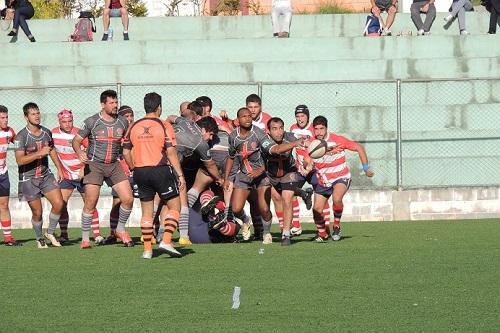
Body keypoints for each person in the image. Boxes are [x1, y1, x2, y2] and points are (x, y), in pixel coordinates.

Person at [122, 92, 185, 259]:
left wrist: (132, 167)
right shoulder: (164, 125)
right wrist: (180, 174)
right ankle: (166, 240)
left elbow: (126, 151)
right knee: (175, 207)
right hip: (160, 170)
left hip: (140, 172)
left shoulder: (133, 126)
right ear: (159, 107)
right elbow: (171, 151)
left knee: (147, 213)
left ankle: (148, 250)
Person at [72, 90, 134, 249]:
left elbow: (126, 144)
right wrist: (80, 154)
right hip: (95, 165)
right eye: (111, 103)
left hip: (114, 165)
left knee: (128, 199)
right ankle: (85, 239)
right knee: (90, 202)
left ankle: (120, 229)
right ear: (103, 104)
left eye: (116, 102)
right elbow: (76, 141)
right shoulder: (92, 121)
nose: (115, 105)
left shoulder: (122, 122)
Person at [305, 116, 374, 242]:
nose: (319, 132)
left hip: (341, 177)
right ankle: (322, 233)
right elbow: (307, 160)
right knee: (316, 210)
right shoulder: (312, 144)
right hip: (324, 180)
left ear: (326, 128)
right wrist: (308, 164)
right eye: (316, 129)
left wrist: (365, 168)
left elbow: (359, 147)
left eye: (322, 128)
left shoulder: (337, 140)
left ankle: (336, 225)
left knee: (337, 198)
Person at [166, 114, 222, 245]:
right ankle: (184, 237)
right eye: (211, 134)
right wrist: (219, 178)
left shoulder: (185, 122)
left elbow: (170, 118)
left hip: (159, 161)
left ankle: (156, 235)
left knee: (160, 200)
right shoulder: (200, 143)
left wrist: (164, 128)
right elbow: (210, 164)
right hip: (173, 164)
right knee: (183, 199)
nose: (211, 138)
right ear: (203, 130)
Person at [14, 103, 64, 249]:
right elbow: (19, 160)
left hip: (46, 176)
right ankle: (39, 238)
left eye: (38, 113)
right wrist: (38, 154)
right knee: (38, 212)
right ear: (26, 117)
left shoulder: (47, 132)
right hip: (28, 179)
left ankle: (50, 233)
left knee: (59, 203)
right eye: (33, 114)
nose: (37, 116)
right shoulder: (20, 137)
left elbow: (52, 150)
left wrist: (59, 169)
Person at [52, 109, 103, 244]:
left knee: (90, 203)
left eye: (70, 121)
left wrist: (83, 168)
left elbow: (91, 150)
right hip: (67, 176)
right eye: (64, 122)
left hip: (83, 175)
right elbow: (52, 151)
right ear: (59, 122)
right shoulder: (54, 134)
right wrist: (59, 169)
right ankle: (64, 234)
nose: (68, 124)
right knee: (61, 204)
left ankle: (97, 235)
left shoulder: (79, 133)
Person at [224, 107, 273, 244]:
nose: (247, 118)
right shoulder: (233, 136)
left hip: (261, 175)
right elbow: (231, 157)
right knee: (236, 208)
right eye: (244, 116)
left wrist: (261, 170)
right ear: (238, 120)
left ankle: (267, 233)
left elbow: (270, 155)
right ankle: (246, 220)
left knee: (264, 208)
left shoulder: (259, 134)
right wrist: (227, 178)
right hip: (244, 175)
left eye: (249, 116)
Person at [261, 117, 313, 246]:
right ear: (269, 131)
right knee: (276, 200)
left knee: (287, 199)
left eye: (281, 128)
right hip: (270, 174)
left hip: (288, 172)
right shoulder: (264, 140)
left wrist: (320, 148)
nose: (278, 132)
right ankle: (302, 194)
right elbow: (277, 150)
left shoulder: (291, 136)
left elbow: (307, 141)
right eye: (274, 129)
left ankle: (286, 234)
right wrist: (295, 143)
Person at [289, 104, 331, 236]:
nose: (300, 119)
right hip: (299, 169)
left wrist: (309, 166)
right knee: (289, 192)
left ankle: (326, 227)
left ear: (308, 116)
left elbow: (318, 149)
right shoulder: (292, 128)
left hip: (314, 169)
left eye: (302, 116)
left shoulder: (314, 129)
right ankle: (296, 226)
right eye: (297, 116)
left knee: (322, 197)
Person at [104, 105, 135, 245]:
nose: (129, 119)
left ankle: (152, 232)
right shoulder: (117, 132)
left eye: (131, 116)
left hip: (136, 171)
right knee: (117, 203)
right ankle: (113, 232)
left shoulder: (137, 131)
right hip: (120, 173)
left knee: (148, 199)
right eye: (126, 116)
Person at [0, 106, 19, 246]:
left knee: (4, 205)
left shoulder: (10, 132)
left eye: (6, 117)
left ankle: (7, 238)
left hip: (3, 173)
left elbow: (19, 145)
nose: (5, 120)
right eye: (2, 118)